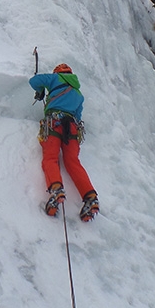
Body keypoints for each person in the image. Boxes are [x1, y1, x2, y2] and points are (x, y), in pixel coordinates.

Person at [29, 63, 99, 221]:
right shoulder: (78, 94)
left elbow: (34, 81)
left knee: (51, 158)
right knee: (73, 162)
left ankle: (56, 190)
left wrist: (41, 91)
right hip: (72, 128)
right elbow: (78, 116)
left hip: (53, 123)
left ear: (58, 72)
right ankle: (90, 197)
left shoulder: (54, 78)